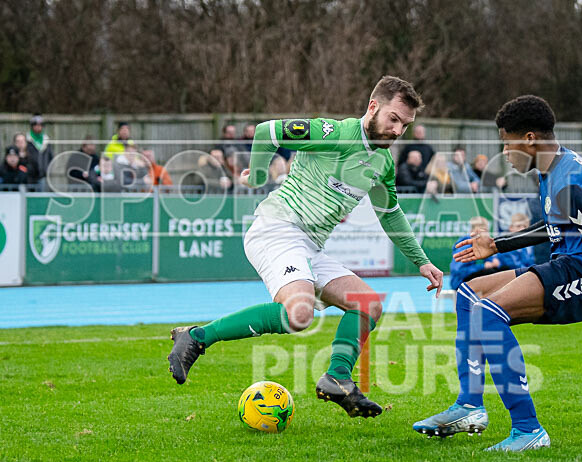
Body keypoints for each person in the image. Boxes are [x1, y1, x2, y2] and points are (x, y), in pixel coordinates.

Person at [166, 76, 444, 420]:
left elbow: (390, 214)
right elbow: (268, 131)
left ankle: (337, 379)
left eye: (406, 124)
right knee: (299, 314)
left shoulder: (383, 163)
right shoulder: (335, 133)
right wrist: (256, 175)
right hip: (277, 228)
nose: (399, 131)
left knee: (368, 305)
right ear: (373, 107)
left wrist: (422, 262)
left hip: (309, 245)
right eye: (393, 119)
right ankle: (196, 337)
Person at [413, 95, 582, 452]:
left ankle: (529, 430)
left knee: (488, 313)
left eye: (506, 142)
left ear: (529, 138)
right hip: (569, 264)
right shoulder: (554, 170)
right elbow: (551, 227)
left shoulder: (573, 181)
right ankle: (469, 406)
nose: (505, 152)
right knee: (471, 295)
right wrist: (497, 245)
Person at [449, 217, 516, 290]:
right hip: (460, 281)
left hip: (475, 275)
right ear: (472, 231)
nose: (484, 234)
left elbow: (492, 261)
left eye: (486, 231)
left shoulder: (483, 244)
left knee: (504, 270)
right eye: (480, 231)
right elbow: (460, 271)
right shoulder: (465, 245)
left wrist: (494, 261)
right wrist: (483, 266)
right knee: (491, 273)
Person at [27, 115, 53, 180]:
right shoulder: (27, 140)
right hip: (30, 176)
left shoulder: (46, 140)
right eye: (35, 124)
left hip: (44, 176)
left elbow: (50, 157)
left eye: (40, 124)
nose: (38, 126)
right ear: (32, 126)